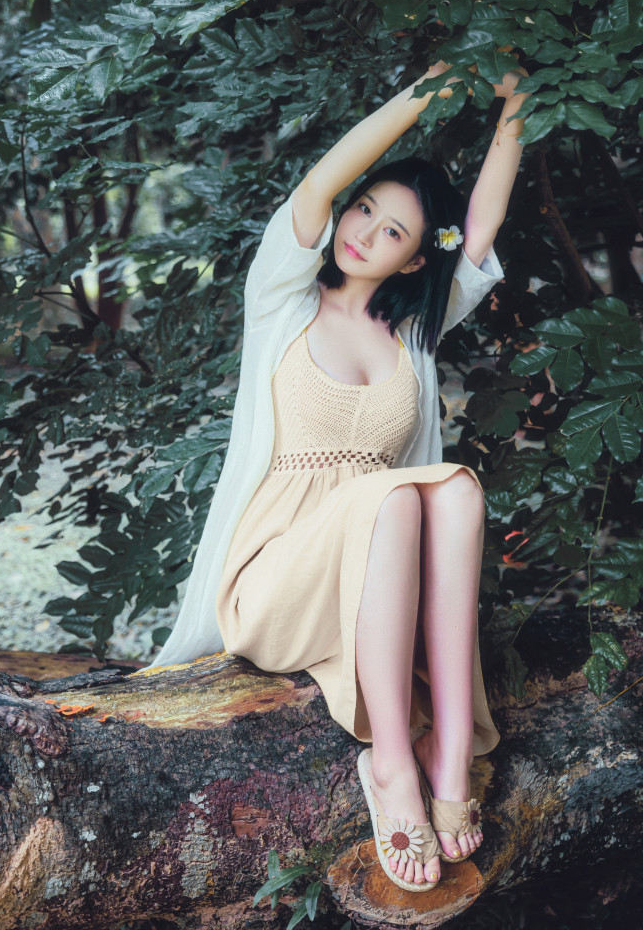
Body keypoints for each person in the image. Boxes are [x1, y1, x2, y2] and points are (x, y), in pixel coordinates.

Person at [139, 58, 528, 893]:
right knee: (395, 498)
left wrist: (518, 101)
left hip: (378, 578)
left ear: (417, 261)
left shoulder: (414, 333)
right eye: (365, 209)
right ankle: (389, 762)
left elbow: (482, 227)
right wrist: (437, 83)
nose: (363, 231)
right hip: (275, 582)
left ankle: (449, 754)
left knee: (455, 487)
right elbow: (318, 182)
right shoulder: (281, 297)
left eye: (393, 232)